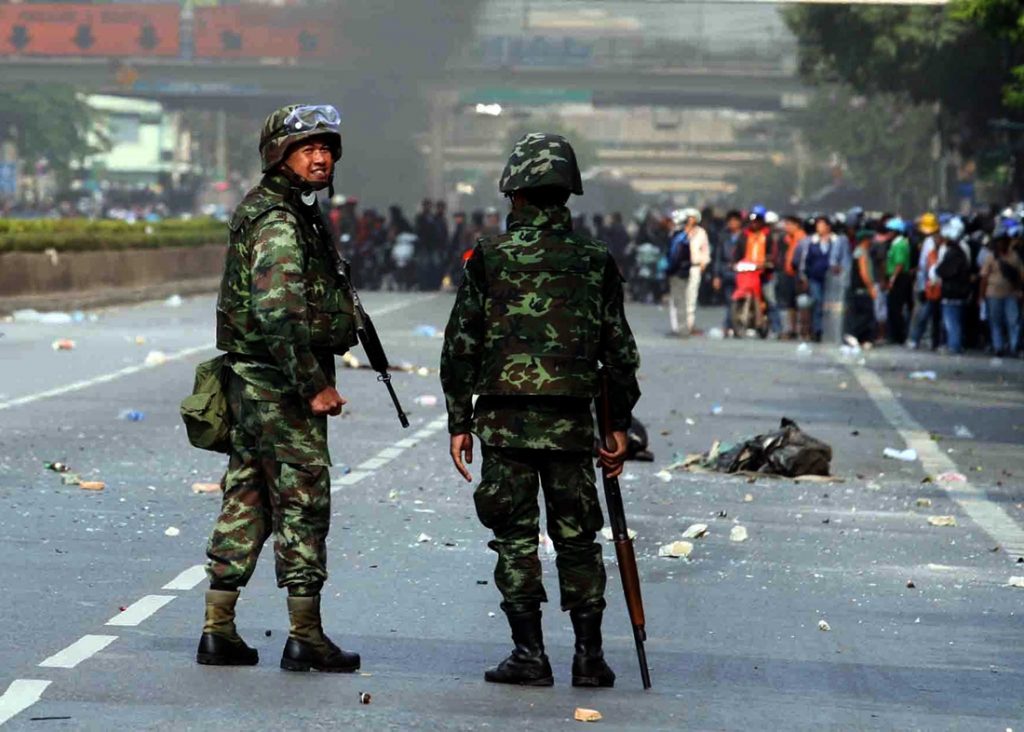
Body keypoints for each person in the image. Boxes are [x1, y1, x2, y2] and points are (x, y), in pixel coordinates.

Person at [440, 132, 641, 688]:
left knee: (514, 539)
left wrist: (460, 421)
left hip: (503, 427)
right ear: (567, 195)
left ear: (516, 195)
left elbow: (461, 345)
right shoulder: (594, 260)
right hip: (572, 427)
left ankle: (529, 655)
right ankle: (588, 656)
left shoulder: (490, 257)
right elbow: (619, 353)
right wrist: (618, 426)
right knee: (578, 538)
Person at [200, 104, 360, 673]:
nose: (320, 157)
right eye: (306, 148)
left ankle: (218, 629)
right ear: (279, 155)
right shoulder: (278, 221)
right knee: (303, 502)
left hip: (253, 385)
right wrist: (314, 385)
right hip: (280, 386)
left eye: (326, 147)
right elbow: (279, 312)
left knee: (246, 498)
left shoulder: (287, 211)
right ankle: (305, 636)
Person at [979, 226, 1023, 356]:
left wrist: (1019, 290)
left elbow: (1020, 276)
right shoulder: (990, 257)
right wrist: (981, 296)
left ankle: (1014, 347)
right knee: (995, 321)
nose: (1001, 244)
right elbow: (984, 278)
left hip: (1011, 294)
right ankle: (998, 347)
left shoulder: (1015, 257)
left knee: (1013, 321)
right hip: (993, 294)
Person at [934, 217, 971, 354]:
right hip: (959, 292)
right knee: (955, 320)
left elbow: (942, 270)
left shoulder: (952, 254)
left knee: (951, 321)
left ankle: (953, 346)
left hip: (951, 292)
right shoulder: (961, 251)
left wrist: (939, 271)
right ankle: (955, 344)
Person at [713, 210, 744, 335]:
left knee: (741, 300)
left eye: (735, 221)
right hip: (727, 272)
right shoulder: (723, 236)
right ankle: (730, 326)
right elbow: (718, 257)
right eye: (730, 221)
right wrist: (716, 276)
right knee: (730, 300)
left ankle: (736, 324)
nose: (732, 223)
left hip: (743, 272)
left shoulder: (745, 236)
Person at [845, 229, 879, 345]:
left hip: (858, 289)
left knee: (862, 314)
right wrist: (871, 288)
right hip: (861, 289)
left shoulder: (860, 251)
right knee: (864, 314)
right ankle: (854, 335)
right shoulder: (861, 253)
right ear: (865, 240)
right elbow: (864, 273)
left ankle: (863, 338)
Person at [883, 218, 913, 345]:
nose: (888, 233)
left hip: (899, 278)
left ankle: (898, 336)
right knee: (892, 307)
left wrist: (892, 279)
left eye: (890, 231)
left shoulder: (900, 245)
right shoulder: (896, 244)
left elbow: (899, 264)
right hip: (897, 277)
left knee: (895, 307)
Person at [775, 216, 805, 339]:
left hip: (798, 273)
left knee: (800, 303)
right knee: (789, 303)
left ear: (796, 225)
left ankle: (802, 329)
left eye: (789, 224)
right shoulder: (785, 239)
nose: (787, 227)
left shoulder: (802, 238)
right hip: (787, 273)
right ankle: (791, 329)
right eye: (786, 224)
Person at [666, 209, 693, 336]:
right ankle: (677, 327)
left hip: (678, 273)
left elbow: (675, 257)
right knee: (676, 300)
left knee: (680, 300)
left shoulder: (680, 238)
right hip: (679, 272)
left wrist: (669, 269)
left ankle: (682, 329)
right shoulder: (678, 236)